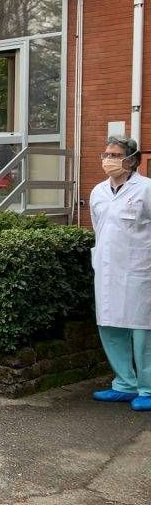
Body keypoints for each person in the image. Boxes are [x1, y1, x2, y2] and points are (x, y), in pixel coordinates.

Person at [90, 136, 151, 412]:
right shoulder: (98, 191)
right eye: (106, 154)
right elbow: (99, 228)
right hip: (107, 270)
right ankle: (124, 384)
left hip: (140, 270)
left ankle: (148, 388)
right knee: (110, 325)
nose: (108, 160)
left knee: (143, 330)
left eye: (115, 155)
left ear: (132, 160)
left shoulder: (146, 189)